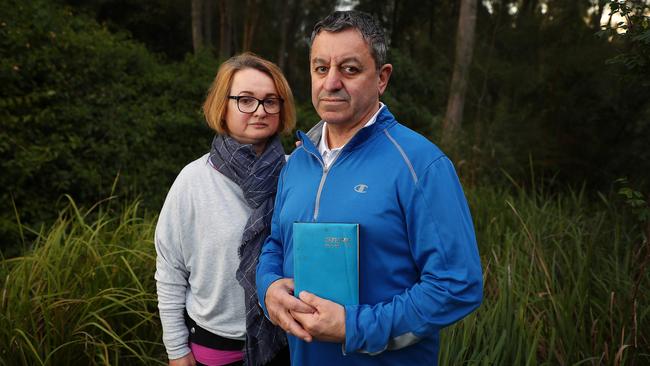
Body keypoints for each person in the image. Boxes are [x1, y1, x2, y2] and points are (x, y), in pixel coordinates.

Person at [256, 10, 483, 366]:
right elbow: (276, 242)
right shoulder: (298, 163)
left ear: (382, 77)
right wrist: (267, 287)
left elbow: (457, 285)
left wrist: (354, 326)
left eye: (349, 69)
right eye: (320, 68)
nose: (331, 82)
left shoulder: (421, 164)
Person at [155, 53, 295, 366]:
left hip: (286, 342)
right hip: (215, 348)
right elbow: (169, 268)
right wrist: (176, 349)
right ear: (223, 105)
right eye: (245, 100)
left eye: (271, 101)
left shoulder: (296, 174)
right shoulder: (193, 180)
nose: (260, 111)